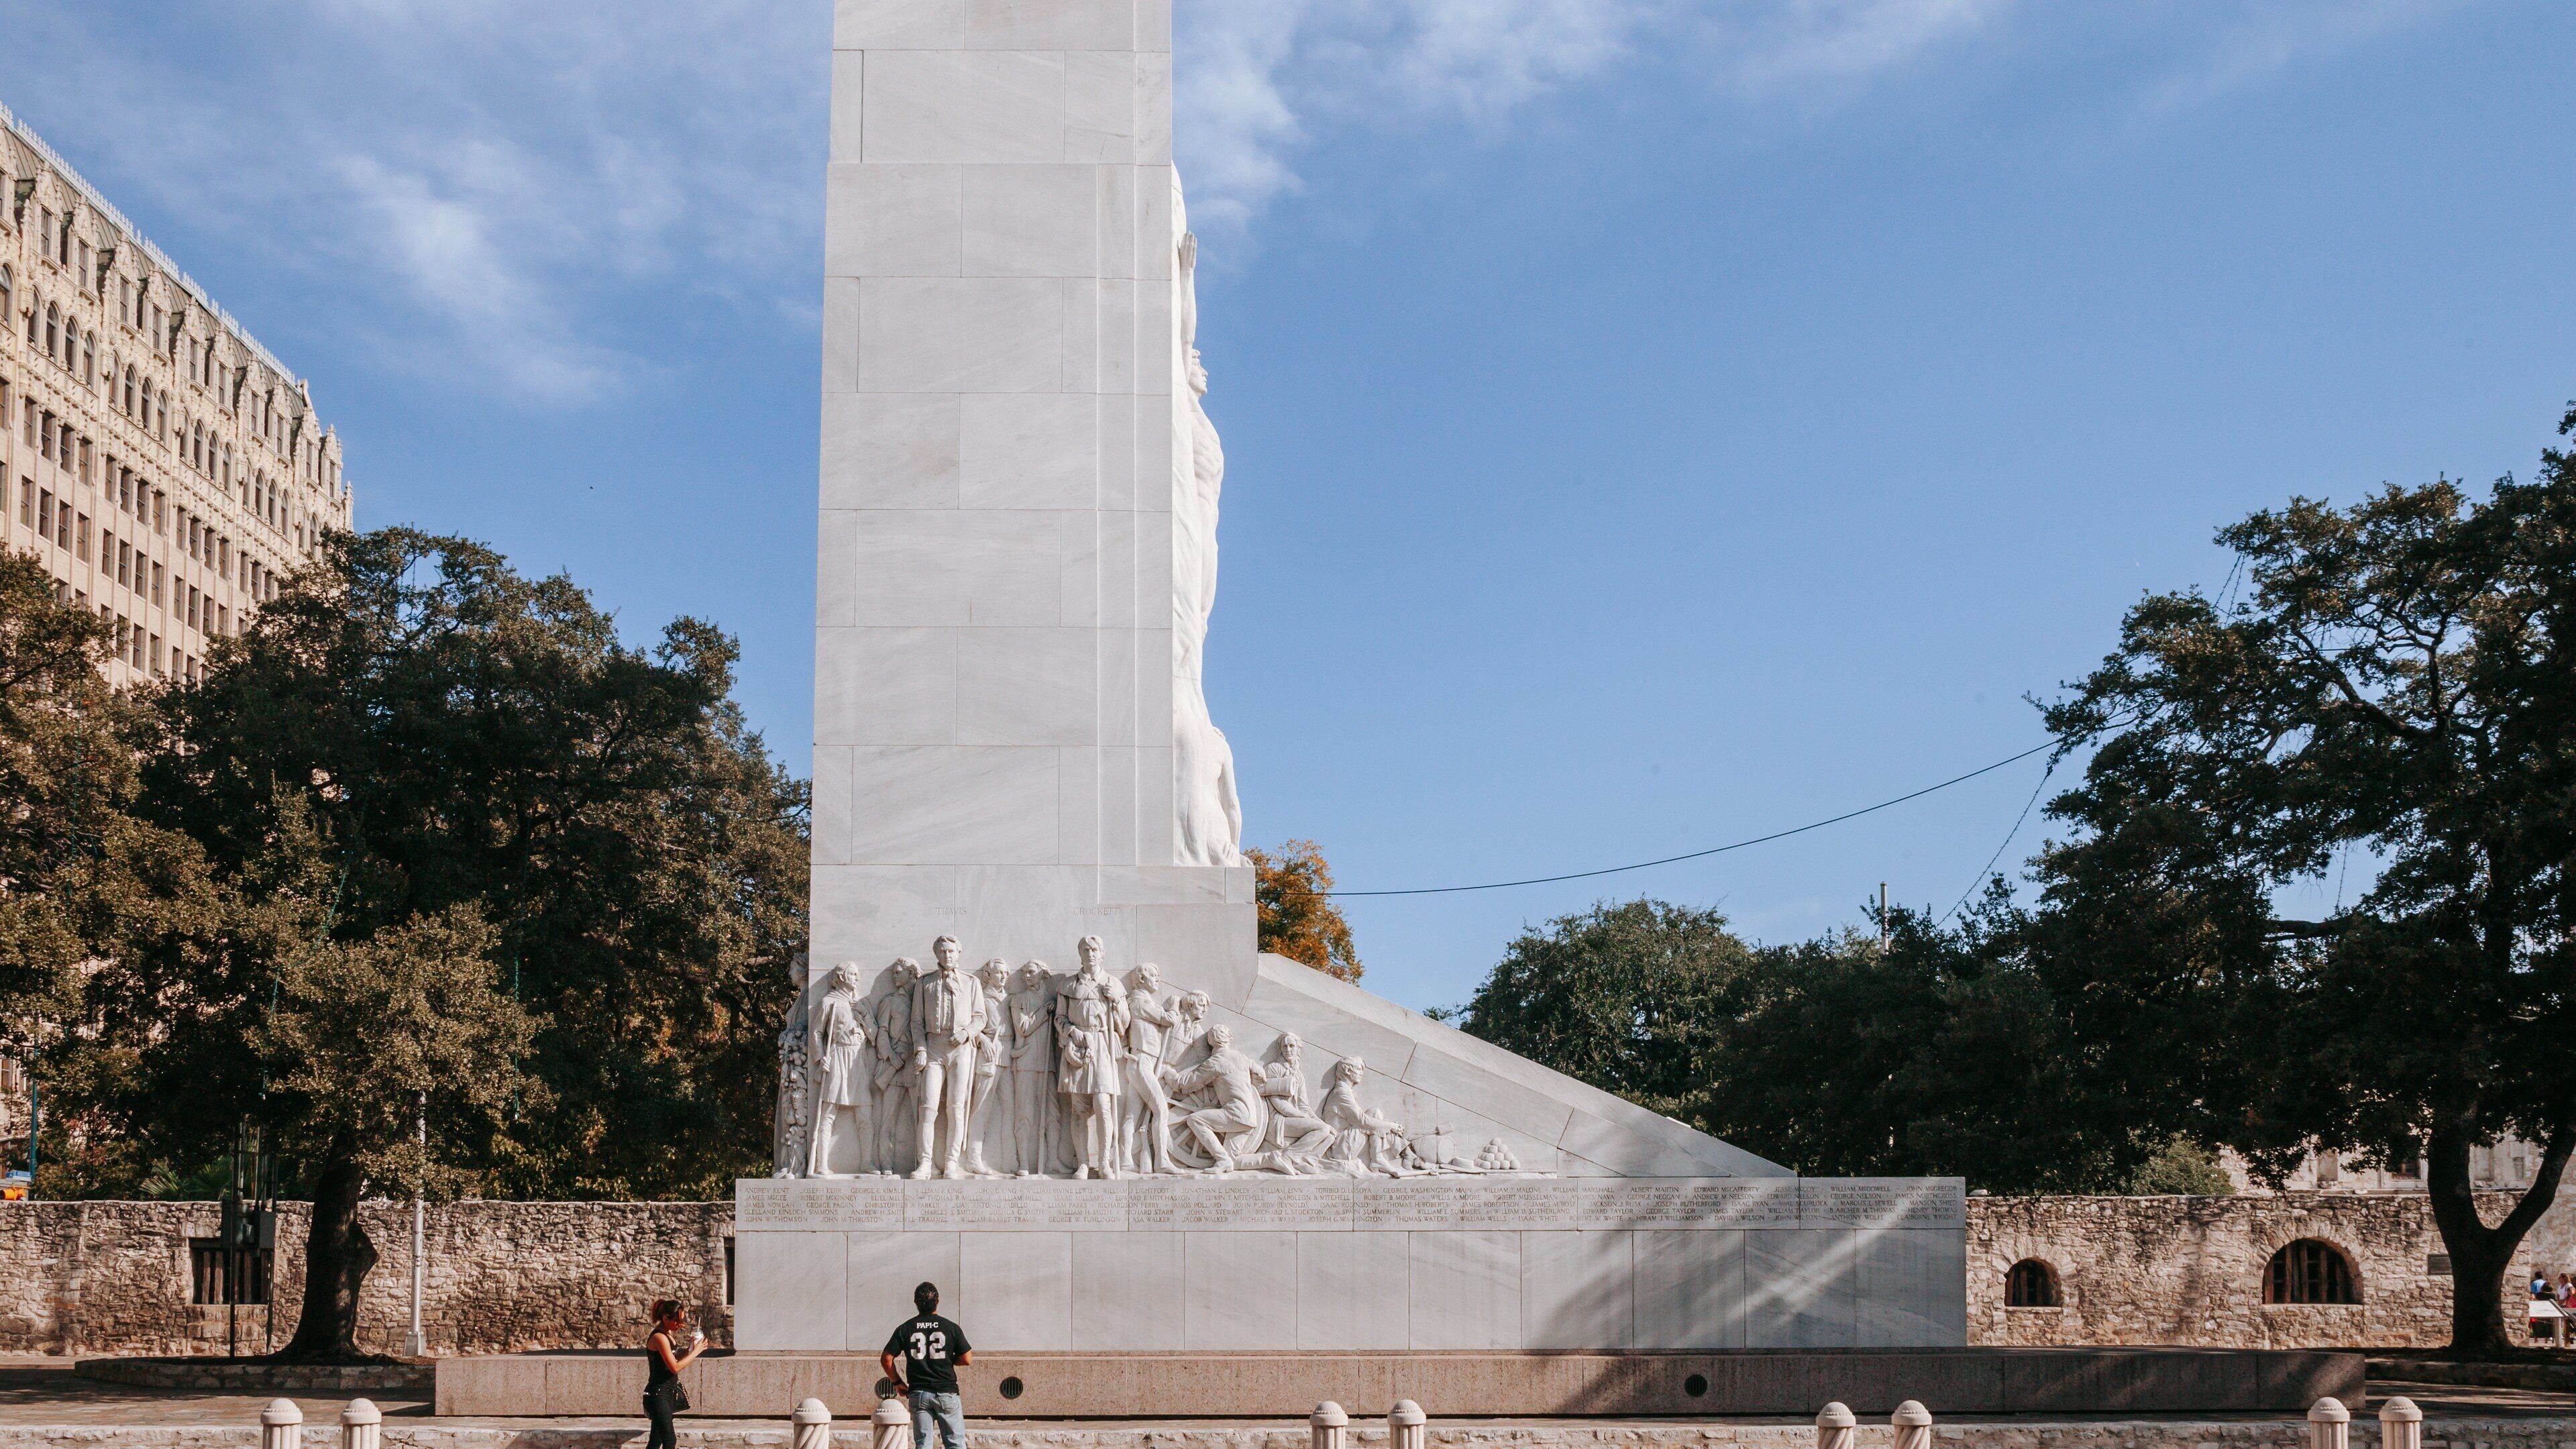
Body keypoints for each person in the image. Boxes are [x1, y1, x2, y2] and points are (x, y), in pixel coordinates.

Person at [881, 1281, 973, 1449]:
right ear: (937, 1301)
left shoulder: (906, 1328)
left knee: (923, 1444)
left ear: (916, 1303)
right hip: (947, 1392)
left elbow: (887, 1359)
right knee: (955, 1443)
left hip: (919, 1393)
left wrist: (897, 1382)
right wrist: (948, 1359)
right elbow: (967, 1359)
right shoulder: (951, 1327)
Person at [643, 1299, 706, 1449]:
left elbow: (674, 1357)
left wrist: (690, 1349)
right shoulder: (659, 1337)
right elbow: (674, 1367)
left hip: (667, 1392)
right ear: (665, 1319)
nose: (681, 1325)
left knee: (655, 1441)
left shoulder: (668, 1333)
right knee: (670, 1440)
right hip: (658, 1393)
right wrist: (696, 1352)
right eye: (678, 1321)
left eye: (683, 1321)